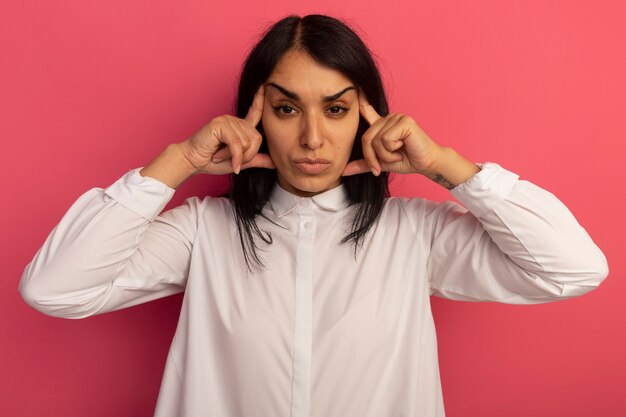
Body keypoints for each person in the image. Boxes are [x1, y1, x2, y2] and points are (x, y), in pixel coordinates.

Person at [19, 13, 608, 417]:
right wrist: (178, 160)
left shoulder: (413, 234)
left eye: (334, 108)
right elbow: (55, 288)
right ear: (254, 116)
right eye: (285, 108)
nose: (311, 137)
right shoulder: (203, 232)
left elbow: (574, 268)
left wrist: (445, 166)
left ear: (366, 116)